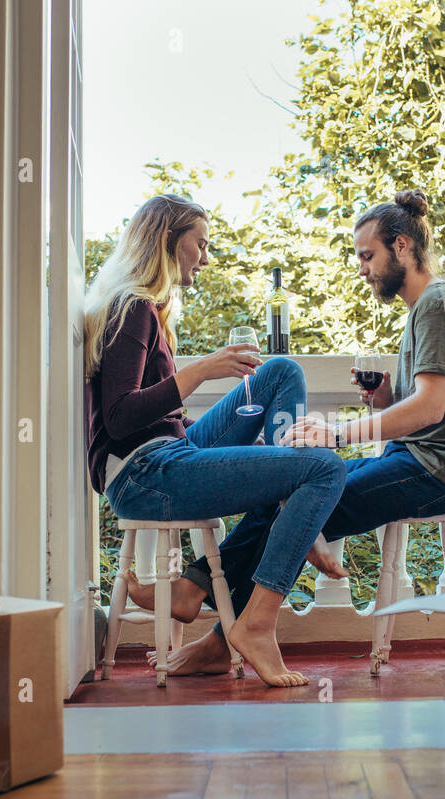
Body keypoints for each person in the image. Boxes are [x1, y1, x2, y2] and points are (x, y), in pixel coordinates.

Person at [142, 189, 445, 676]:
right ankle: (217, 616)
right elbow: (424, 408)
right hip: (418, 459)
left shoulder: (440, 304)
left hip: (444, 471)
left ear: (401, 246)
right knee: (286, 486)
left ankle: (213, 611)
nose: (362, 269)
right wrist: (382, 403)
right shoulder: (426, 309)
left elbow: (430, 407)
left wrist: (336, 435)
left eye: (367, 255)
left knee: (299, 497)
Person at [86, 193, 349, 688]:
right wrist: (204, 370)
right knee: (325, 468)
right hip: (145, 473)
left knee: (279, 371)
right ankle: (257, 624)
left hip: (170, 451)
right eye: (199, 245)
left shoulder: (145, 309)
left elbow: (153, 417)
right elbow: (121, 418)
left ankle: (194, 588)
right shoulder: (132, 307)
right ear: (168, 240)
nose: (205, 259)